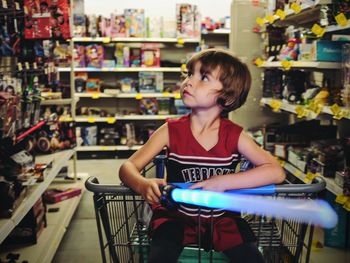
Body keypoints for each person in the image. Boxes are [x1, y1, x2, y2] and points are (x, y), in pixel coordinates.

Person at [119, 48, 286, 263]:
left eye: (203, 77)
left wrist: (224, 181)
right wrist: (142, 184)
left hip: (222, 218)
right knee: (160, 255)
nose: (188, 82)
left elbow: (275, 171)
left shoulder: (234, 135)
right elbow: (128, 167)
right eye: (189, 74)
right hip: (175, 216)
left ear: (227, 94)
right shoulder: (170, 130)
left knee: (251, 257)